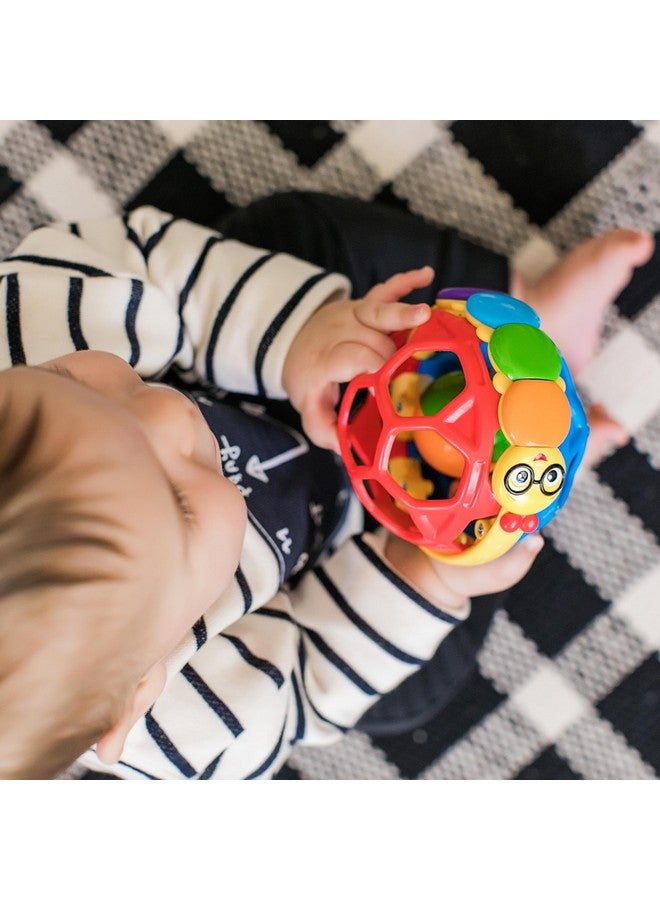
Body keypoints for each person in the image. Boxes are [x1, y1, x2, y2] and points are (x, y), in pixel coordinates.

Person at [0, 198, 653, 779]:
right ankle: (529, 476)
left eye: (75, 384)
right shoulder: (191, 728)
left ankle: (524, 314)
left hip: (287, 363)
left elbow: (139, 260)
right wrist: (423, 581)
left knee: (290, 230)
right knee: (412, 689)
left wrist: (297, 338)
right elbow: (307, 688)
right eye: (177, 502)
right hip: (355, 548)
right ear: (144, 684)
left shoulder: (23, 327)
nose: (169, 415)